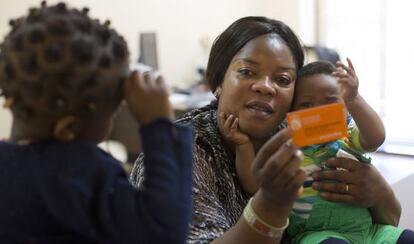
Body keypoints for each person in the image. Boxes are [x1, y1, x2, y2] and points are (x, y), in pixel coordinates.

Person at [130, 16, 405, 244]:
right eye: (247, 72)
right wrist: (271, 203)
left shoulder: (300, 127)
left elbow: (387, 222)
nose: (266, 86)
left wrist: (381, 193)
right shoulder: (180, 153)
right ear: (217, 81)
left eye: (283, 79)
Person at [0, 2, 193, 243]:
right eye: (112, 113)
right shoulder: (74, 171)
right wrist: (159, 123)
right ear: (68, 129)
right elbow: (164, 232)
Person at [224, 59, 412, 243]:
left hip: (369, 232)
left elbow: (375, 138)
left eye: (330, 102)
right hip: (316, 235)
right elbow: (255, 183)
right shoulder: (287, 145)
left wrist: (354, 98)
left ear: (345, 106)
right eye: (306, 105)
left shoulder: (348, 136)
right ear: (290, 112)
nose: (318, 112)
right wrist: (243, 145)